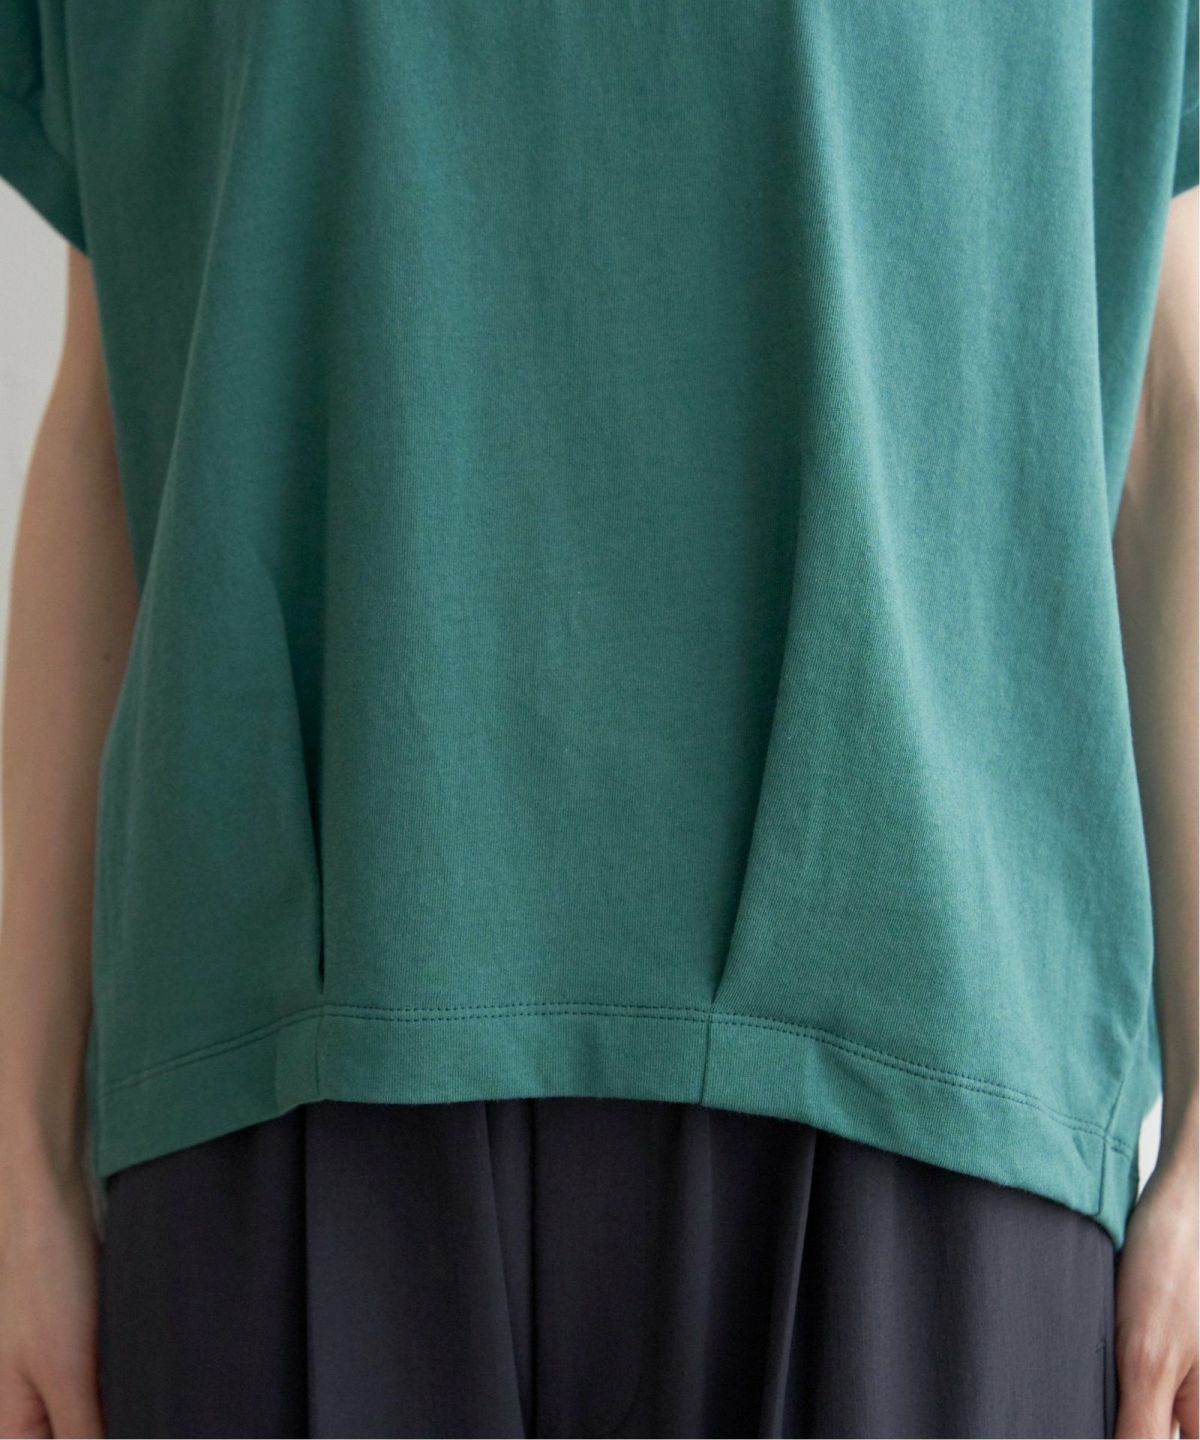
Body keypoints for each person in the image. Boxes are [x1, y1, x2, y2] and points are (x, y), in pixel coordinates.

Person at [0, 2, 1196, 1436]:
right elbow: (122, 401)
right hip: (281, 1052)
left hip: (927, 1061)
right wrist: (17, 1150)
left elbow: (1158, 404)